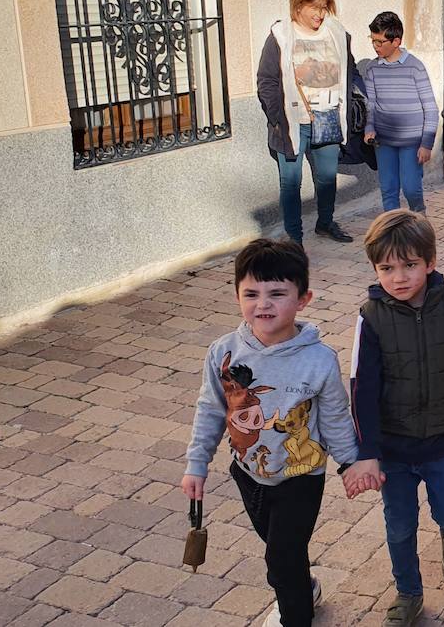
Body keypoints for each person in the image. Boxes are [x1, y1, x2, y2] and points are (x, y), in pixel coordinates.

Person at [182, 238, 359, 627]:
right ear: (236, 296)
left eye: (277, 293)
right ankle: (302, 585)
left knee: (279, 560)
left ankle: (295, 612)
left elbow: (334, 416)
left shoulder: (319, 360)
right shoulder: (223, 352)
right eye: (252, 293)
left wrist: (351, 463)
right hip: (247, 474)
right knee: (283, 551)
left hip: (301, 477)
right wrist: (196, 465)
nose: (263, 304)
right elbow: (211, 409)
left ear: (303, 298)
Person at [347, 211, 444, 627]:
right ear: (375, 269)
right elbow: (361, 387)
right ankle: (408, 593)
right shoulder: (370, 316)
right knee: (399, 527)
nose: (398, 277)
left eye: (409, 265)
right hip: (393, 448)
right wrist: (367, 452)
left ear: (430, 262)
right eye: (387, 268)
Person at [257, 0, 363, 245]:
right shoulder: (281, 36)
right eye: (314, 7)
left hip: (328, 115)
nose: (320, 14)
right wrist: (276, 116)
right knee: (291, 183)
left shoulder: (337, 34)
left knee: (327, 179)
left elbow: (349, 71)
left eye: (324, 7)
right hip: (294, 120)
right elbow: (266, 80)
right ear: (298, 6)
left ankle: (325, 223)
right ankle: (294, 238)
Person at [363, 12, 438, 214]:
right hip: (383, 142)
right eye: (373, 41)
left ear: (396, 41)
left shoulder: (415, 67)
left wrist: (426, 144)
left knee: (412, 188)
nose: (375, 46)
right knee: (388, 189)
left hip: (412, 143)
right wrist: (369, 128)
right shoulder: (372, 69)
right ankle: (392, 231)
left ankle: (420, 221)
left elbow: (431, 108)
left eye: (380, 42)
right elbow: (371, 104)